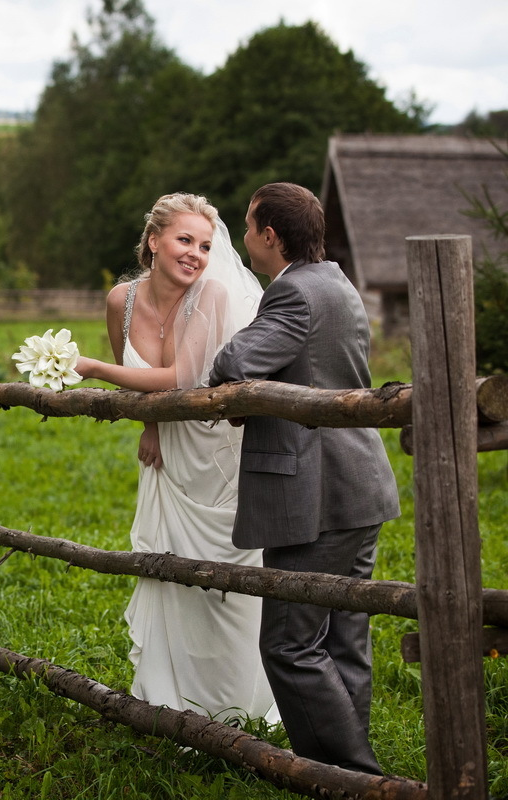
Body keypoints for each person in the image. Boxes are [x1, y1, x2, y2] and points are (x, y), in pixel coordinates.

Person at [207, 182, 400, 774]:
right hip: (360, 484)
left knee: (290, 644)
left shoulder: (292, 293)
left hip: (316, 493)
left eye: (246, 226)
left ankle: (348, 778)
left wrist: (237, 387)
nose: (242, 238)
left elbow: (236, 364)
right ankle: (348, 771)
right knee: (344, 641)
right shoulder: (335, 282)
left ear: (270, 235)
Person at [76, 192, 278, 724]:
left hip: (216, 451)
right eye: (185, 240)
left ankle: (239, 707)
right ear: (153, 241)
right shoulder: (120, 300)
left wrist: (90, 369)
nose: (195, 254)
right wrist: (151, 426)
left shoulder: (210, 294)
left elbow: (181, 379)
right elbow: (138, 384)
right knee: (168, 571)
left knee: (226, 585)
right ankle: (173, 701)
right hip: (168, 453)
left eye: (206, 245)